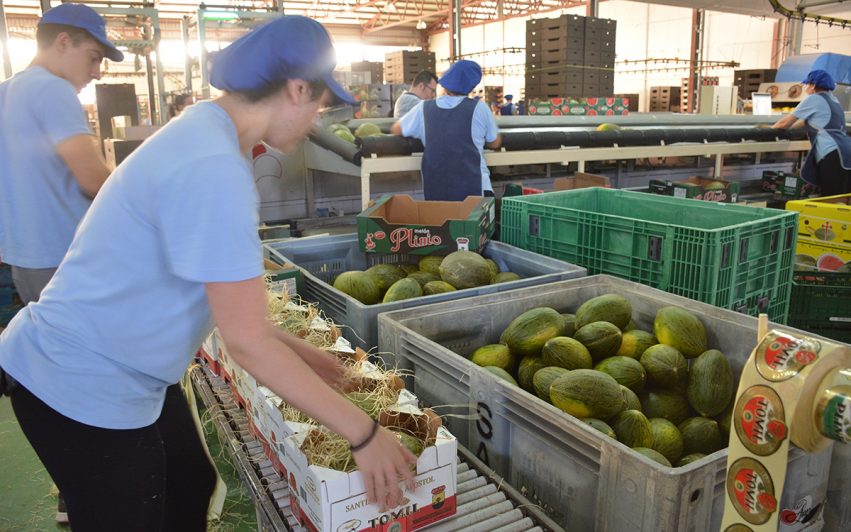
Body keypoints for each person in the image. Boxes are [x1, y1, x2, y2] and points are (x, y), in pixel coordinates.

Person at [0, 15, 416, 531]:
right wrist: (365, 434)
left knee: (190, 484)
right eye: (317, 105)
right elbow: (246, 344)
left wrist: (306, 355)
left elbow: (230, 311)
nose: (314, 120)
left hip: (117, 366)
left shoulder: (204, 132)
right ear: (296, 88)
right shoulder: (213, 165)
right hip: (82, 381)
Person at [0, 3, 122, 523]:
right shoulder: (51, 89)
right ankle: (95, 492)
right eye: (94, 56)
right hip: (64, 259)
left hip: (29, 259)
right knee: (95, 380)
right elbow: (94, 179)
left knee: (66, 377)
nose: (97, 72)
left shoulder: (9, 91)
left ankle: (76, 493)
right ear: (64, 42)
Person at [391, 60, 501, 201]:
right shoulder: (480, 108)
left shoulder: (423, 108)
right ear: (471, 85)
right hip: (475, 190)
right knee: (474, 223)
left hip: (437, 191)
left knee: (441, 223)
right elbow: (494, 142)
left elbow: (397, 129)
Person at [771, 69, 851, 196]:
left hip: (832, 153)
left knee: (830, 197)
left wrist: (767, 131)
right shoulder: (833, 100)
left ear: (813, 85)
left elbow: (784, 123)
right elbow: (805, 122)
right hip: (846, 151)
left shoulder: (814, 99)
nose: (805, 87)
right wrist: (790, 130)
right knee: (843, 196)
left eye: (807, 84)